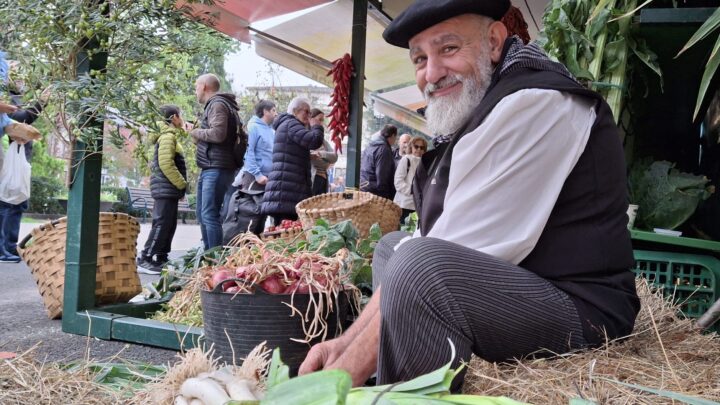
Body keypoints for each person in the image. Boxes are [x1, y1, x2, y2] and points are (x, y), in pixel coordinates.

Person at [299, 0, 639, 391]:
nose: (432, 73)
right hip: (530, 284)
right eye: (420, 59)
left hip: (585, 312)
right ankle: (391, 385)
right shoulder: (488, 108)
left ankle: (389, 396)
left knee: (417, 267)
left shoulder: (534, 103)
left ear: (494, 42)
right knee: (393, 248)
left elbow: (433, 257)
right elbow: (428, 240)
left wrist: (336, 382)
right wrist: (344, 343)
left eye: (448, 49)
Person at [0, 61, 49, 263]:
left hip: (20, 157)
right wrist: (41, 103)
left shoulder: (15, 97)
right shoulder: (8, 97)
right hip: (14, 158)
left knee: (16, 204)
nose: (21, 80)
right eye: (18, 76)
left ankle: (10, 247)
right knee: (9, 204)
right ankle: (5, 248)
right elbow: (22, 116)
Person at [191, 73, 240, 250]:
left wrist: (195, 132)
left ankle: (214, 259)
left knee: (210, 215)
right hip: (212, 166)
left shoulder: (218, 104)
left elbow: (218, 134)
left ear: (204, 86)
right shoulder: (220, 105)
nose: (195, 91)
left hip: (217, 167)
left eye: (196, 86)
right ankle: (209, 256)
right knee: (203, 214)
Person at [136, 105, 188, 274]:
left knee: (168, 224)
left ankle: (161, 257)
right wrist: (181, 184)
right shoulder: (167, 136)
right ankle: (145, 258)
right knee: (162, 223)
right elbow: (166, 164)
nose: (182, 119)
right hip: (166, 188)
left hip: (168, 189)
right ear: (174, 117)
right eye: (181, 116)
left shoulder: (169, 136)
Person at [261, 97, 324, 225]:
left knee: (285, 233)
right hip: (287, 193)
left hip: (286, 192)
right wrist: (316, 126)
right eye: (306, 112)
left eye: (310, 113)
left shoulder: (288, 125)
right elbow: (314, 140)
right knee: (286, 233)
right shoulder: (291, 124)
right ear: (295, 111)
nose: (309, 116)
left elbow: (290, 152)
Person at [234, 99, 277, 191]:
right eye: (273, 110)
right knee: (250, 204)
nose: (276, 114)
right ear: (265, 111)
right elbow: (249, 152)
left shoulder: (272, 131)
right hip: (254, 177)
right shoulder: (253, 127)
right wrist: (258, 175)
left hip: (268, 178)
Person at [393, 136, 427, 226]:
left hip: (417, 206)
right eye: (416, 146)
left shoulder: (425, 163)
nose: (419, 149)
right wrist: (412, 190)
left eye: (422, 147)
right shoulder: (406, 159)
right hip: (403, 204)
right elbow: (398, 181)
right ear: (411, 147)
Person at [360, 124, 397, 200]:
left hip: (365, 187)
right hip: (375, 193)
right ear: (393, 135)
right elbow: (382, 175)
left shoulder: (370, 146)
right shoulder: (384, 149)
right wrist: (386, 197)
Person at [309, 108, 338, 196]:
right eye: (320, 120)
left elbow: (335, 156)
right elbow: (313, 159)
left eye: (323, 120)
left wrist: (321, 154)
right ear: (311, 119)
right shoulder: (306, 136)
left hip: (324, 179)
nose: (321, 123)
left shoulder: (323, 141)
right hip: (313, 179)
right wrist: (327, 161)